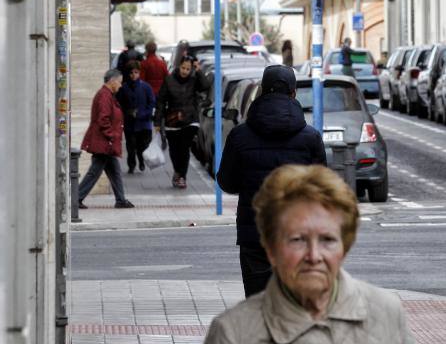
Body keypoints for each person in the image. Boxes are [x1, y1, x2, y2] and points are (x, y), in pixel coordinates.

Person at [205, 164, 415, 344]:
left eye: (328, 240)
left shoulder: (387, 312)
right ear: (271, 249)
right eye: (298, 240)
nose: (314, 256)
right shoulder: (232, 332)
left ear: (345, 246)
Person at [217, 64, 327, 297]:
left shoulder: (240, 135)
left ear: (261, 91)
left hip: (255, 234)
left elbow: (227, 182)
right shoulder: (311, 138)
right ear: (294, 93)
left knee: (258, 303)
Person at [78, 68, 134, 209]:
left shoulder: (107, 95)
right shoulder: (104, 96)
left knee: (114, 171)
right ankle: (76, 197)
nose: (121, 86)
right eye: (120, 82)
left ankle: (120, 200)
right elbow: (103, 119)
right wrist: (112, 135)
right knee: (94, 172)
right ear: (112, 81)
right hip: (103, 142)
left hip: (105, 142)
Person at [154, 55, 210, 189]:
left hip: (189, 120)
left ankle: (181, 177)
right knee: (174, 151)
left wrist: (199, 70)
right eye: (183, 68)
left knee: (184, 149)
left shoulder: (194, 79)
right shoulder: (169, 80)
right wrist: (157, 121)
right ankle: (177, 172)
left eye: (188, 69)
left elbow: (205, 86)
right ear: (179, 66)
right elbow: (161, 101)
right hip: (172, 121)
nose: (185, 71)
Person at [117, 60, 156, 174]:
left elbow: (151, 103)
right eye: (131, 73)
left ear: (139, 73)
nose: (134, 75)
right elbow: (119, 104)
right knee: (130, 146)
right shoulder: (123, 88)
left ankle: (141, 161)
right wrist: (126, 113)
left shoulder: (146, 87)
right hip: (130, 123)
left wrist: (143, 114)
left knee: (142, 145)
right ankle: (131, 164)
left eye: (136, 72)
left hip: (143, 123)